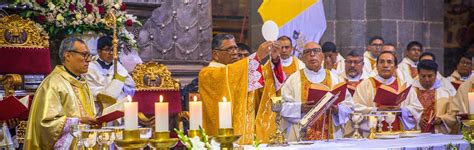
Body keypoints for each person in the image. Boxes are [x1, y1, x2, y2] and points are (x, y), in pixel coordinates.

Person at [199, 33, 282, 144]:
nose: (235, 52)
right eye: (229, 49)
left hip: (248, 134)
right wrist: (257, 56)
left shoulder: (241, 72)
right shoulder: (208, 73)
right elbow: (228, 75)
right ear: (215, 54)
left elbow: (265, 79)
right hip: (220, 136)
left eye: (235, 48)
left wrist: (275, 59)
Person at [24, 37, 97, 149]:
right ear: (67, 56)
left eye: (89, 55)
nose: (88, 60)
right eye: (84, 55)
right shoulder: (53, 84)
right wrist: (80, 121)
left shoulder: (83, 83)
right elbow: (46, 125)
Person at [280, 42, 353, 141]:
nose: (312, 54)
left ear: (322, 56)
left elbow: (350, 106)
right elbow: (282, 106)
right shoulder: (293, 80)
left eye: (316, 51)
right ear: (302, 58)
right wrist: (300, 108)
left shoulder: (336, 78)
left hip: (330, 137)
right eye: (308, 52)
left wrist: (336, 110)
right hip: (302, 136)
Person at [353, 51, 423, 134]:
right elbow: (355, 108)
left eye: (389, 62)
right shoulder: (365, 85)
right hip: (373, 136)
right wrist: (377, 109)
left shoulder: (404, 85)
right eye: (382, 62)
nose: (385, 65)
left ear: (396, 66)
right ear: (376, 66)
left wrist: (401, 110)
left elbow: (417, 108)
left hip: (400, 134)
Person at [84, 36, 135, 115]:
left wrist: (118, 84)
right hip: (97, 107)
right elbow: (89, 88)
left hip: (118, 107)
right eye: (107, 50)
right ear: (99, 51)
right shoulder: (89, 67)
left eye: (113, 50)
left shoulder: (118, 67)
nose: (111, 53)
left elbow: (131, 84)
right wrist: (106, 92)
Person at [411, 60, 457, 134]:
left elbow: (453, 114)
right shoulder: (410, 92)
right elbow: (404, 111)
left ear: (436, 75)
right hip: (415, 134)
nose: (427, 79)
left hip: (438, 133)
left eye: (430, 76)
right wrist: (417, 119)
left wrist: (441, 119)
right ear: (418, 74)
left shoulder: (445, 93)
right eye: (423, 76)